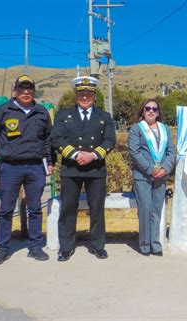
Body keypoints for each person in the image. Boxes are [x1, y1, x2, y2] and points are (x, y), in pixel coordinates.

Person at [0, 75, 53, 266]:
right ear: (15, 90)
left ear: (33, 91)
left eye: (29, 88)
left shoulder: (41, 112)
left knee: (35, 209)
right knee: (6, 209)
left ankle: (35, 246)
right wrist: (5, 149)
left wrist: (49, 161)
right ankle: (3, 248)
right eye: (22, 88)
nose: (26, 92)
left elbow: (48, 140)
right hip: (10, 167)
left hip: (35, 167)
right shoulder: (2, 110)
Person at [51, 76, 116, 262]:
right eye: (81, 93)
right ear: (76, 95)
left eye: (89, 93)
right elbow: (56, 139)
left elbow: (110, 141)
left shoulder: (104, 117)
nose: (85, 96)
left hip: (95, 170)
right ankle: (66, 247)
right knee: (68, 209)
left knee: (97, 209)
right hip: (71, 169)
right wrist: (75, 155)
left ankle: (98, 245)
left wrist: (93, 155)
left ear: (94, 96)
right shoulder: (63, 115)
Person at [128, 99, 175, 256]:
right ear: (142, 111)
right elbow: (134, 152)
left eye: (154, 109)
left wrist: (165, 168)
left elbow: (171, 152)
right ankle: (145, 243)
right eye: (147, 108)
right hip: (143, 176)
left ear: (158, 112)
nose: (151, 111)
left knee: (157, 210)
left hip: (161, 176)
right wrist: (150, 169)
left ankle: (155, 243)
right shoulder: (136, 128)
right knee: (145, 209)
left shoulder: (164, 128)